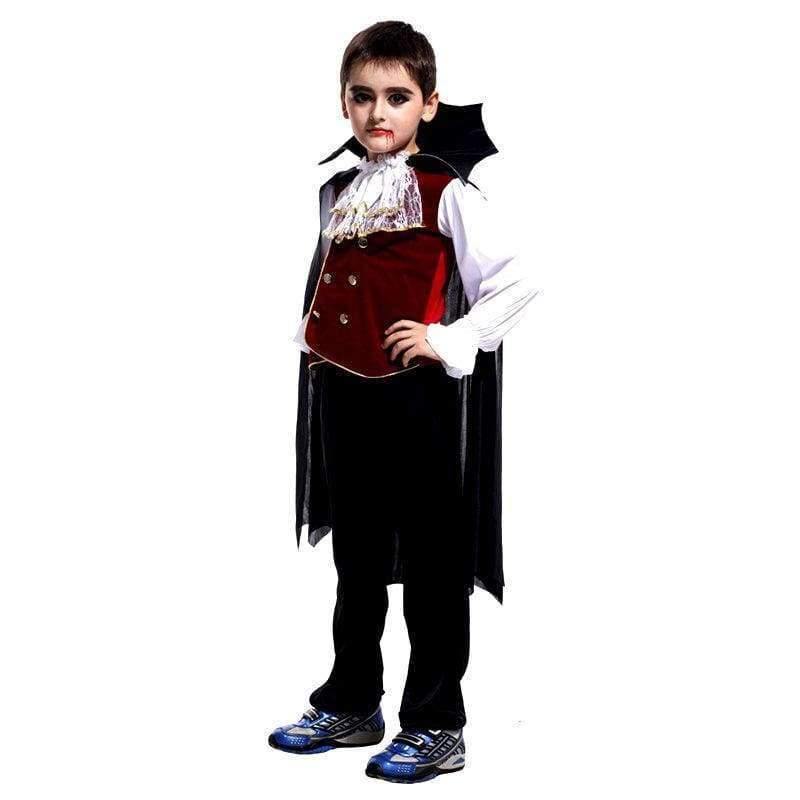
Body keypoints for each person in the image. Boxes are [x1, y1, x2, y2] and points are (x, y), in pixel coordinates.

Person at [267, 21, 539, 783]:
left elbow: (518, 280)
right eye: (362, 96)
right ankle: (352, 703)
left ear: (428, 104)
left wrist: (449, 338)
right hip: (343, 393)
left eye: (396, 96)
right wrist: (314, 337)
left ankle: (436, 723)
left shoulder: (446, 191)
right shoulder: (340, 190)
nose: (377, 111)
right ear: (343, 103)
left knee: (432, 564)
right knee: (356, 559)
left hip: (419, 401)